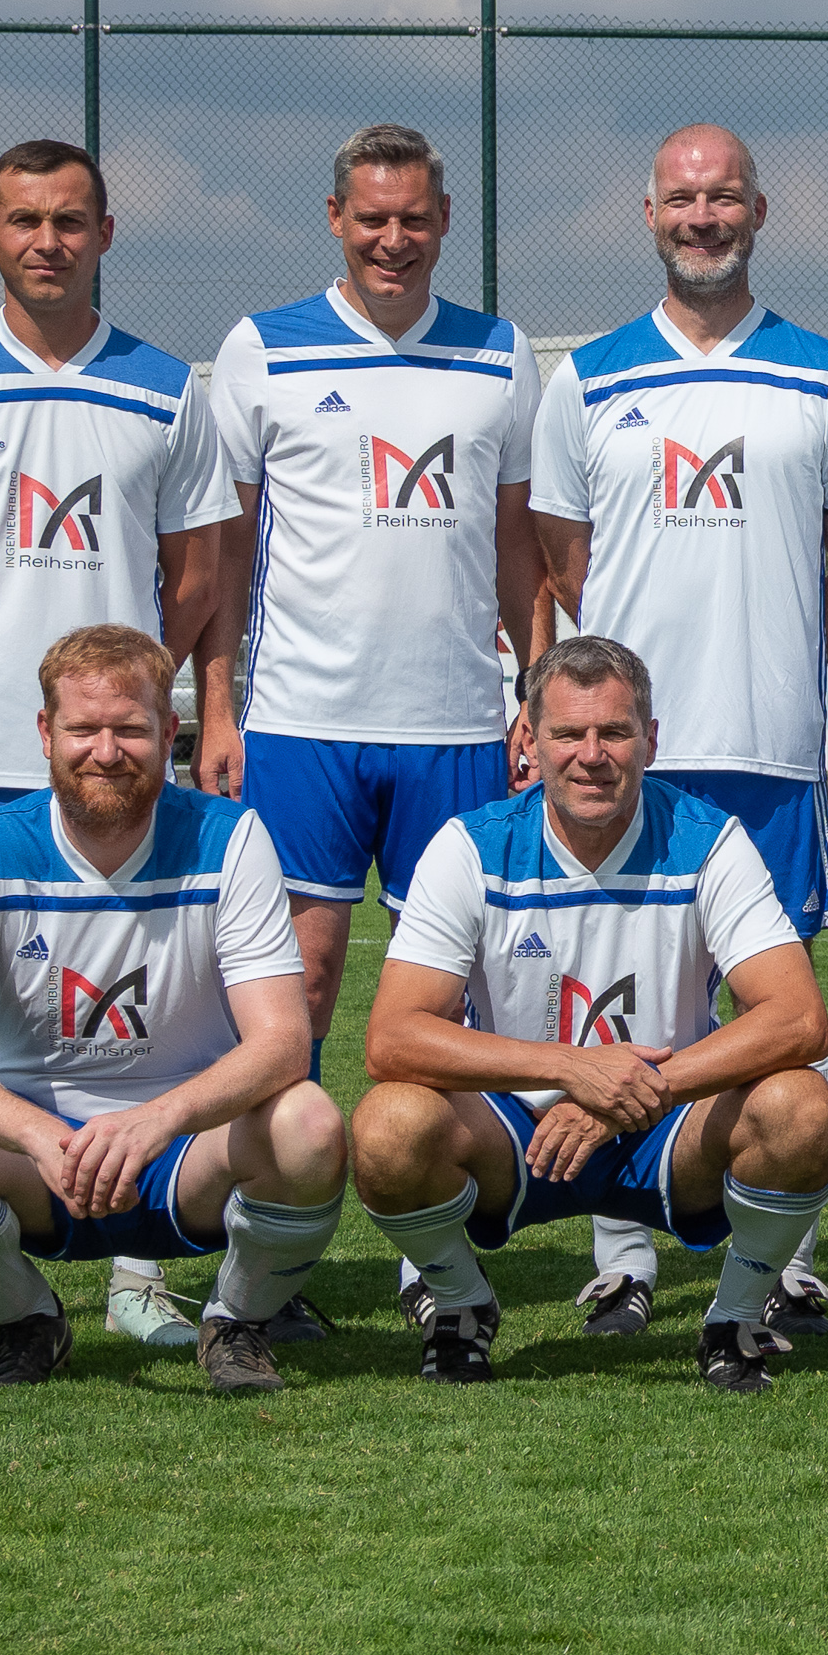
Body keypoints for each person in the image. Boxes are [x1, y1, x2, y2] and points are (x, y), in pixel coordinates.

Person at [0, 139, 237, 1355]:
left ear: (105, 234)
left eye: (71, 221)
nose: (48, 242)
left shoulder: (166, 387)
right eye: (25, 220)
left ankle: (140, 1267)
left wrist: (143, 705)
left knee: (154, 1011)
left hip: (121, 766)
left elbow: (200, 574)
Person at [528, 123, 828, 1340]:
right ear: (650, 215)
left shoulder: (827, 376)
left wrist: (776, 649)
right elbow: (568, 563)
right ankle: (622, 1257)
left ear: (758, 211)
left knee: (776, 1005)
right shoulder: (587, 379)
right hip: (626, 752)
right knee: (623, 992)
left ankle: (780, 1261)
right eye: (682, 199)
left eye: (724, 197)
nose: (703, 218)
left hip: (768, 745)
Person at [348, 637, 828, 1392]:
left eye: (614, 732)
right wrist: (572, 1069)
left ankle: (735, 1317)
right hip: (515, 1131)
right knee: (387, 1126)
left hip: (668, 1125)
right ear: (530, 742)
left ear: (651, 739)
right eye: (567, 734)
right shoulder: (471, 847)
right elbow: (391, 1038)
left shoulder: (708, 840)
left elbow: (800, 1019)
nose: (592, 755)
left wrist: (638, 1093)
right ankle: (460, 1305)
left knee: (801, 1106)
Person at [0, 626, 343, 1396]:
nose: (106, 750)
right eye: (83, 728)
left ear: (169, 731)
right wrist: (40, 1135)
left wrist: (158, 1121)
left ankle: (235, 1322)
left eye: (129, 728)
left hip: (184, 1157)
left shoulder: (229, 838)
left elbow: (284, 1041)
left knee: (309, 1123)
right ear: (45, 732)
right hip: (38, 1163)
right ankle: (28, 1320)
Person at [202, 123, 544, 1085]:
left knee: (453, 993)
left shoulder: (501, 352)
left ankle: (429, 1185)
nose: (393, 241)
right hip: (301, 723)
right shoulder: (261, 348)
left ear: (445, 220)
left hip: (456, 727)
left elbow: (519, 546)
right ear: (335, 218)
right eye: (372, 220)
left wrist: (536, 689)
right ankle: (284, 1171)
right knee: (299, 980)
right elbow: (227, 551)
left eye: (414, 220)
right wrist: (218, 707)